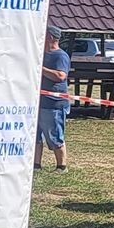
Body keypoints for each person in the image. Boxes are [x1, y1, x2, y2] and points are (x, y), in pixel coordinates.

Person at [37, 25, 72, 172]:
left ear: (50, 37)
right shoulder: (40, 54)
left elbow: (60, 76)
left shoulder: (60, 56)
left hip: (54, 103)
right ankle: (36, 165)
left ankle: (61, 166)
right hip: (39, 102)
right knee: (36, 136)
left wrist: (40, 69)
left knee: (55, 135)